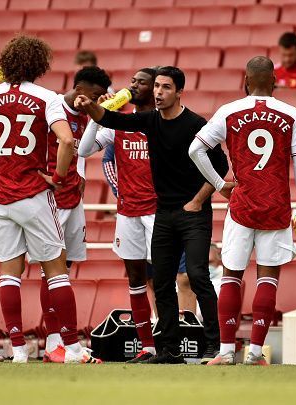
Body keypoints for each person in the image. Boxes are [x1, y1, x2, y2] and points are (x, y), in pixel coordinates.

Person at [0, 35, 100, 364]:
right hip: (33, 194)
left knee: (9, 273)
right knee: (57, 271)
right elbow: (66, 139)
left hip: (0, 197)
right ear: (39, 65)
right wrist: (59, 179)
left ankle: (18, 350)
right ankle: (72, 349)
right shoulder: (46, 97)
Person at [75, 66, 229, 364]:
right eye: (156, 86)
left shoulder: (195, 124)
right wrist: (93, 105)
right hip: (162, 213)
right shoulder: (148, 120)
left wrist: (198, 200)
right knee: (161, 282)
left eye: (165, 87)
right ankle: (168, 351)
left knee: (197, 276)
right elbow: (110, 120)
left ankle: (216, 347)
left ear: (179, 91)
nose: (158, 92)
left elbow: (220, 167)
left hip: (192, 213)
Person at [189, 56, 296, 366]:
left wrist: (219, 184)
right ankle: (256, 354)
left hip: (242, 204)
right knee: (267, 277)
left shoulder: (229, 111)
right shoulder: (290, 113)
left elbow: (195, 150)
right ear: (274, 81)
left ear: (245, 81)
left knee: (232, 274)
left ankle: (226, 352)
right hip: (276, 206)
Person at [80, 67, 160, 363]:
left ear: (155, 90)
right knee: (136, 278)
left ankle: (168, 341)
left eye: (142, 82)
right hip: (128, 212)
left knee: (163, 279)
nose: (134, 85)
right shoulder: (118, 124)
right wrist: (97, 114)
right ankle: (147, 346)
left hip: (158, 212)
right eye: (133, 81)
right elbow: (85, 150)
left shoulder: (162, 124)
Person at [41, 65, 110, 363]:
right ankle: (53, 341)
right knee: (51, 268)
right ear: (79, 88)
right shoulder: (52, 107)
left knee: (63, 268)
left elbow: (85, 150)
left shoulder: (89, 113)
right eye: (93, 95)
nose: (95, 101)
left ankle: (61, 341)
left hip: (73, 197)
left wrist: (98, 111)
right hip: (51, 197)